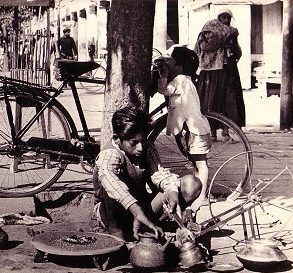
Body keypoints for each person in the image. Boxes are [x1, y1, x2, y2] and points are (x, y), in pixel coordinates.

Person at [93, 106, 202, 241]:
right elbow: (112, 184)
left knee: (192, 184)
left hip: (142, 210)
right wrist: (137, 212)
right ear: (117, 139)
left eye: (143, 141)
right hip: (113, 215)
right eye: (134, 142)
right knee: (111, 187)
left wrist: (173, 195)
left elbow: (160, 175)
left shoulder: (147, 147)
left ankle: (146, 227)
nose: (140, 147)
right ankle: (117, 236)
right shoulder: (109, 154)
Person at [155, 45, 212, 220]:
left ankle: (201, 197)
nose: (167, 62)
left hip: (195, 130)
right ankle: (198, 192)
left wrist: (163, 75)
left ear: (179, 66)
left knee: (201, 165)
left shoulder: (180, 80)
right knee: (197, 164)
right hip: (195, 129)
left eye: (170, 61)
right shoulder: (185, 78)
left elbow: (164, 90)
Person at [194, 8, 246, 141]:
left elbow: (237, 50)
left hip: (228, 70)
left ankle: (226, 132)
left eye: (228, 17)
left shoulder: (232, 32)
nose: (226, 20)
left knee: (229, 101)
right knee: (211, 101)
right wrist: (221, 42)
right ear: (218, 17)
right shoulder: (210, 28)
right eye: (223, 17)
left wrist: (232, 47)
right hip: (211, 70)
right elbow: (204, 47)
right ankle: (211, 132)